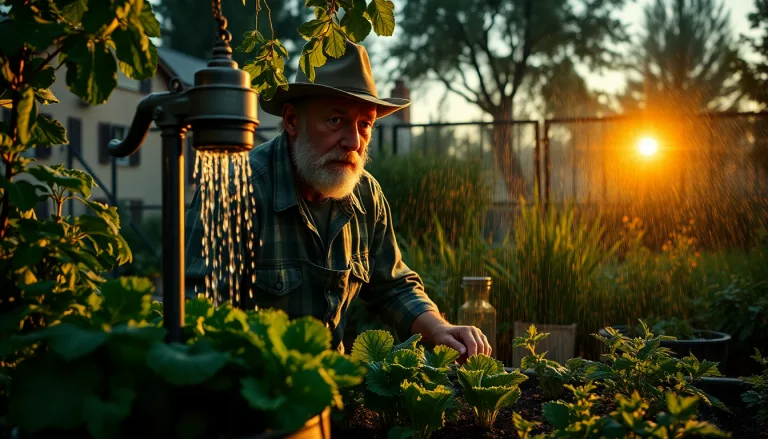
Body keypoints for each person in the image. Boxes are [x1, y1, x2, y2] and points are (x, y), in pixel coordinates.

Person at [185, 39, 491, 358]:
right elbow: (200, 313)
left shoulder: (367, 195)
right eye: (336, 120)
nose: (353, 142)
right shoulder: (237, 189)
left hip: (332, 390)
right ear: (291, 121)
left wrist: (438, 328)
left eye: (364, 125)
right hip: (256, 390)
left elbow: (392, 285)